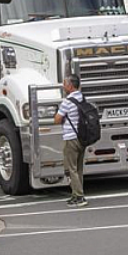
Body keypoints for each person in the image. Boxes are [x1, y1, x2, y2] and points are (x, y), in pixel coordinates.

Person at [54, 74, 89, 208]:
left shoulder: (67, 102)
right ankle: (76, 194)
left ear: (70, 85)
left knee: (71, 168)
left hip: (71, 138)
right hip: (82, 137)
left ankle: (79, 196)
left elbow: (57, 119)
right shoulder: (82, 98)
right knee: (78, 168)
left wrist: (57, 115)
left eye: (64, 84)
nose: (63, 86)